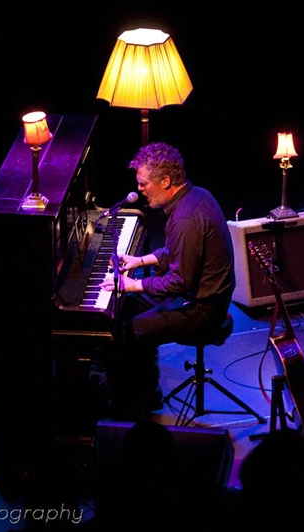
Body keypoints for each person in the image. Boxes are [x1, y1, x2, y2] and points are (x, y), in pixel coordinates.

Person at [99, 142, 235, 420]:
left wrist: (134, 284)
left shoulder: (185, 217)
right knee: (123, 308)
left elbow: (179, 281)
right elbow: (178, 253)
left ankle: (131, 410)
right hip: (192, 293)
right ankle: (148, 393)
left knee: (128, 332)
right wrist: (140, 261)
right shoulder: (196, 196)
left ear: (165, 181)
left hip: (203, 308)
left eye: (143, 183)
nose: (140, 190)